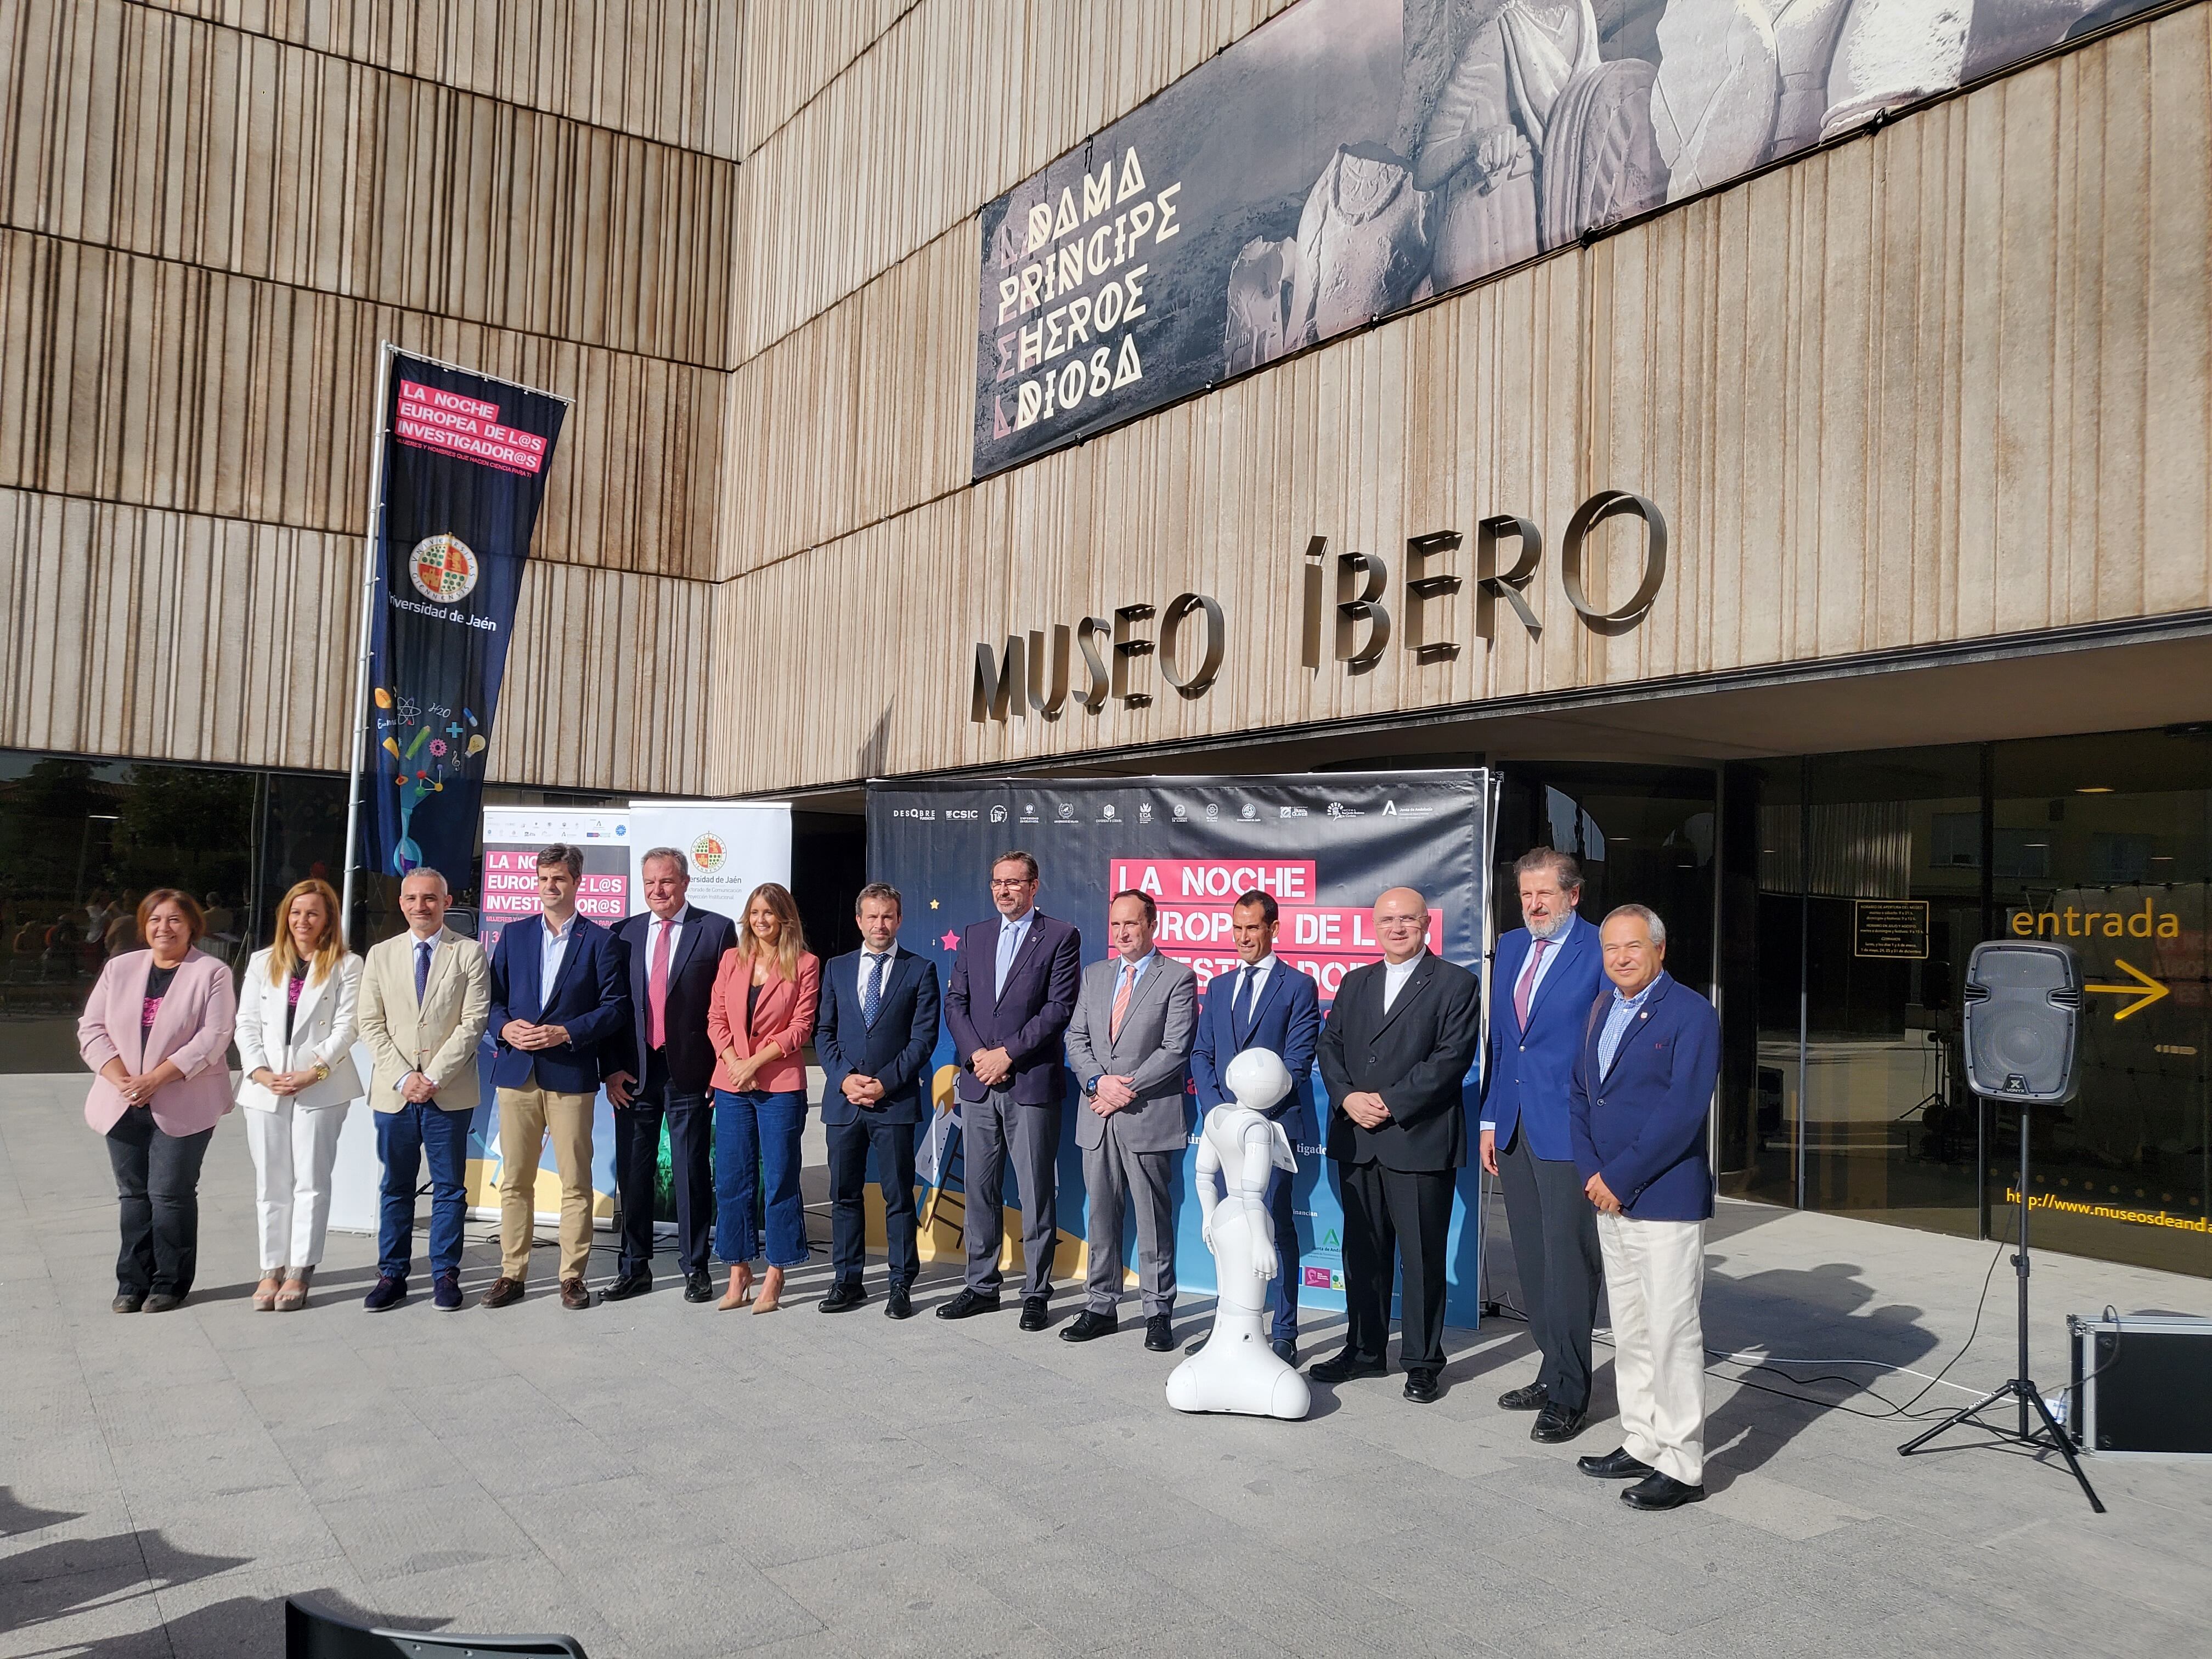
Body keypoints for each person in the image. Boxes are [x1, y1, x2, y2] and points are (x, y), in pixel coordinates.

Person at [1570, 904, 1720, 1512]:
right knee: (1630, 1329)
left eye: (1633, 946)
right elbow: (1581, 1095)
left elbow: (1682, 1112)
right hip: (1607, 1198)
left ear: (1660, 949)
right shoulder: (1600, 1008)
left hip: (1662, 1201)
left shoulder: (1692, 1013)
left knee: (1671, 1332)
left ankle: (1682, 1464)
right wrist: (1592, 1174)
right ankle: (1643, 1439)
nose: (1621, 958)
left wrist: (1619, 1177)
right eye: (1611, 948)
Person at [1312, 886, 1482, 1403]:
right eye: (1388, 920)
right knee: (1363, 1253)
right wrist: (1347, 1098)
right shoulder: (1356, 982)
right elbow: (1330, 1045)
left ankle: (1423, 1362)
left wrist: (1387, 1102)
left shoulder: (1456, 983)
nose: (1397, 928)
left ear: (1427, 924)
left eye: (1408, 919)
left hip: (1417, 1138)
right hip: (1358, 1137)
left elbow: (1451, 1059)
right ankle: (1364, 1350)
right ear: (1375, 926)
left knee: (1423, 1257)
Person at [1480, 849, 1606, 1442]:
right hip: (1514, 1124)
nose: (1533, 905)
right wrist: (1489, 1119)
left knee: (1569, 1262)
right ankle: (1551, 1367)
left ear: (1573, 896)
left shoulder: (1599, 948)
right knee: (1531, 1259)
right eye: (1526, 894)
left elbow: (1608, 1043)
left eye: (1545, 894)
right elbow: (1505, 1043)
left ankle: (1572, 1394)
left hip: (1570, 1128)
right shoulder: (1510, 947)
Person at [936, 850, 1082, 1329]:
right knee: (979, 1189)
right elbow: (955, 1003)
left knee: (1036, 1192)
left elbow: (1058, 1008)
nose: (1004, 891)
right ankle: (981, 1286)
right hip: (979, 1083)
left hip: (1029, 1083)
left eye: (1014, 883)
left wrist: (1008, 1055)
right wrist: (979, 1056)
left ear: (1034, 887)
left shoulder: (1060, 935)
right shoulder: (975, 935)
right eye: (997, 882)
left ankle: (1036, 1292)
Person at [76, 890, 237, 1312]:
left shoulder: (212, 972)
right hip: (122, 1097)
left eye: (174, 920)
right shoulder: (120, 968)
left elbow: (215, 1036)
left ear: (192, 926)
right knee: (133, 1194)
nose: (164, 928)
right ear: (144, 926)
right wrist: (122, 1080)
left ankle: (170, 1282)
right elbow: (91, 1029)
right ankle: (132, 1282)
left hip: (184, 1097)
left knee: (169, 1193)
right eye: (155, 920)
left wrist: (155, 1079)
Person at [484, 844, 629, 1311]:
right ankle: (512, 1273)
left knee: (575, 1180)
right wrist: (505, 1028)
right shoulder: (514, 935)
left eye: (560, 879)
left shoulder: (600, 940)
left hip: (570, 1071)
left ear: (577, 882)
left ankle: (572, 1276)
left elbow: (615, 1008)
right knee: (515, 1180)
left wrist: (566, 1032)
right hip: (518, 1073)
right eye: (544, 878)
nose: (550, 887)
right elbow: (492, 1001)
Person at [1189, 889, 1322, 1364]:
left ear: (1273, 929)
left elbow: (1297, 1062)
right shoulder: (1219, 986)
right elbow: (1202, 1054)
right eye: (1237, 928)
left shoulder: (1298, 986)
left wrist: (1253, 1114)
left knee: (1274, 1225)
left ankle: (1283, 1332)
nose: (1243, 937)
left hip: (1274, 1128)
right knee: (1230, 1225)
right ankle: (1230, 1328)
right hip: (1225, 1129)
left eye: (1253, 928)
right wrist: (1219, 1113)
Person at [1061, 889, 1198, 1351]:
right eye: (1116, 924)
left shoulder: (1177, 977)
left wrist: (1125, 1089)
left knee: (1153, 1218)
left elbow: (1175, 1049)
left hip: (1146, 1116)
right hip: (1097, 1114)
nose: (1122, 933)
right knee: (1101, 1214)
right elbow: (1076, 1038)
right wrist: (1098, 1083)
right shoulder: (1095, 975)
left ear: (1152, 925)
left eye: (1131, 924)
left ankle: (1158, 1311)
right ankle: (1101, 1306)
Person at [603, 848, 737, 1304]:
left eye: (666, 881)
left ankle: (696, 1268)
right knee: (633, 1173)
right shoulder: (623, 933)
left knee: (691, 1172)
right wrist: (610, 1068)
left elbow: (728, 1006)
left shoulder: (716, 930)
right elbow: (613, 1007)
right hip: (634, 1074)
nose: (658, 891)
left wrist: (722, 1067)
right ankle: (634, 1267)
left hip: (691, 1071)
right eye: (649, 883)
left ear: (684, 883)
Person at [357, 867, 490, 1312]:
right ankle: (391, 1275)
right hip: (394, 1093)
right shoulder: (380, 955)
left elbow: (473, 1022)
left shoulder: (469, 953)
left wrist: (433, 1077)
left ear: (447, 902)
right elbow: (370, 1023)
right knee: (396, 1186)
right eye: (412, 898)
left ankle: (445, 1274)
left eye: (431, 898)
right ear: (401, 904)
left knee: (449, 1188)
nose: (421, 906)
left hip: (447, 1092)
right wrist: (404, 1077)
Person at [234, 878, 364, 1312]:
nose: (302, 920)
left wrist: (315, 1071)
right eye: (295, 912)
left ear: (328, 919)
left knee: (311, 1179)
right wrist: (258, 1071)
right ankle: (270, 1267)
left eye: (312, 913)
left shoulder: (348, 965)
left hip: (320, 1086)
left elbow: (349, 1026)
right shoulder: (262, 962)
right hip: (265, 1086)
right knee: (271, 1181)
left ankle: (300, 1269)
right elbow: (246, 1022)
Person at [814, 882, 941, 1319]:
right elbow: (824, 1032)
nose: (880, 924)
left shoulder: (920, 970)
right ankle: (847, 1281)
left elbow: (923, 1039)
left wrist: (884, 1083)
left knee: (898, 1197)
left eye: (888, 916)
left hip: (894, 1103)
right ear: (859, 920)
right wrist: (844, 1079)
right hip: (844, 1102)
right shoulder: (836, 968)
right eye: (872, 916)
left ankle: (900, 1283)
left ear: (899, 919)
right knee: (844, 1195)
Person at [707, 882, 820, 1313]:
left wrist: (753, 1063)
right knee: (732, 1179)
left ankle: (777, 1270)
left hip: (780, 1085)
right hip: (732, 1083)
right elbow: (716, 1018)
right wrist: (735, 1062)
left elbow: (801, 1028)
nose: (760, 920)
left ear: (784, 918)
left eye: (769, 913)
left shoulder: (805, 964)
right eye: (755, 912)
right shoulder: (731, 960)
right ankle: (738, 1270)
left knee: (779, 1177)